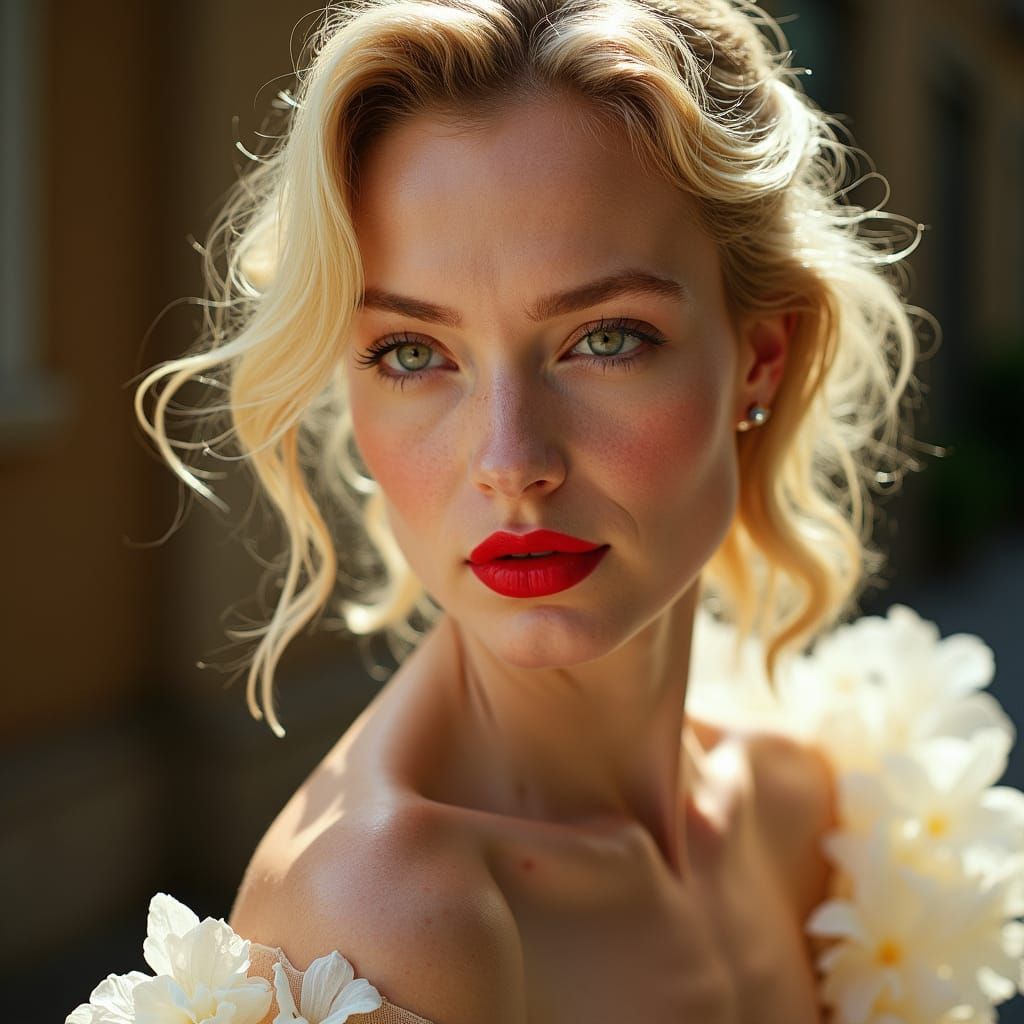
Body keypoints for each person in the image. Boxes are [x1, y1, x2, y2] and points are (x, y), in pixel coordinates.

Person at [68, 2, 1024, 1023]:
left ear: (760, 354)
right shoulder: (391, 924)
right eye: (412, 353)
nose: (510, 462)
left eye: (605, 337)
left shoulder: (807, 804)